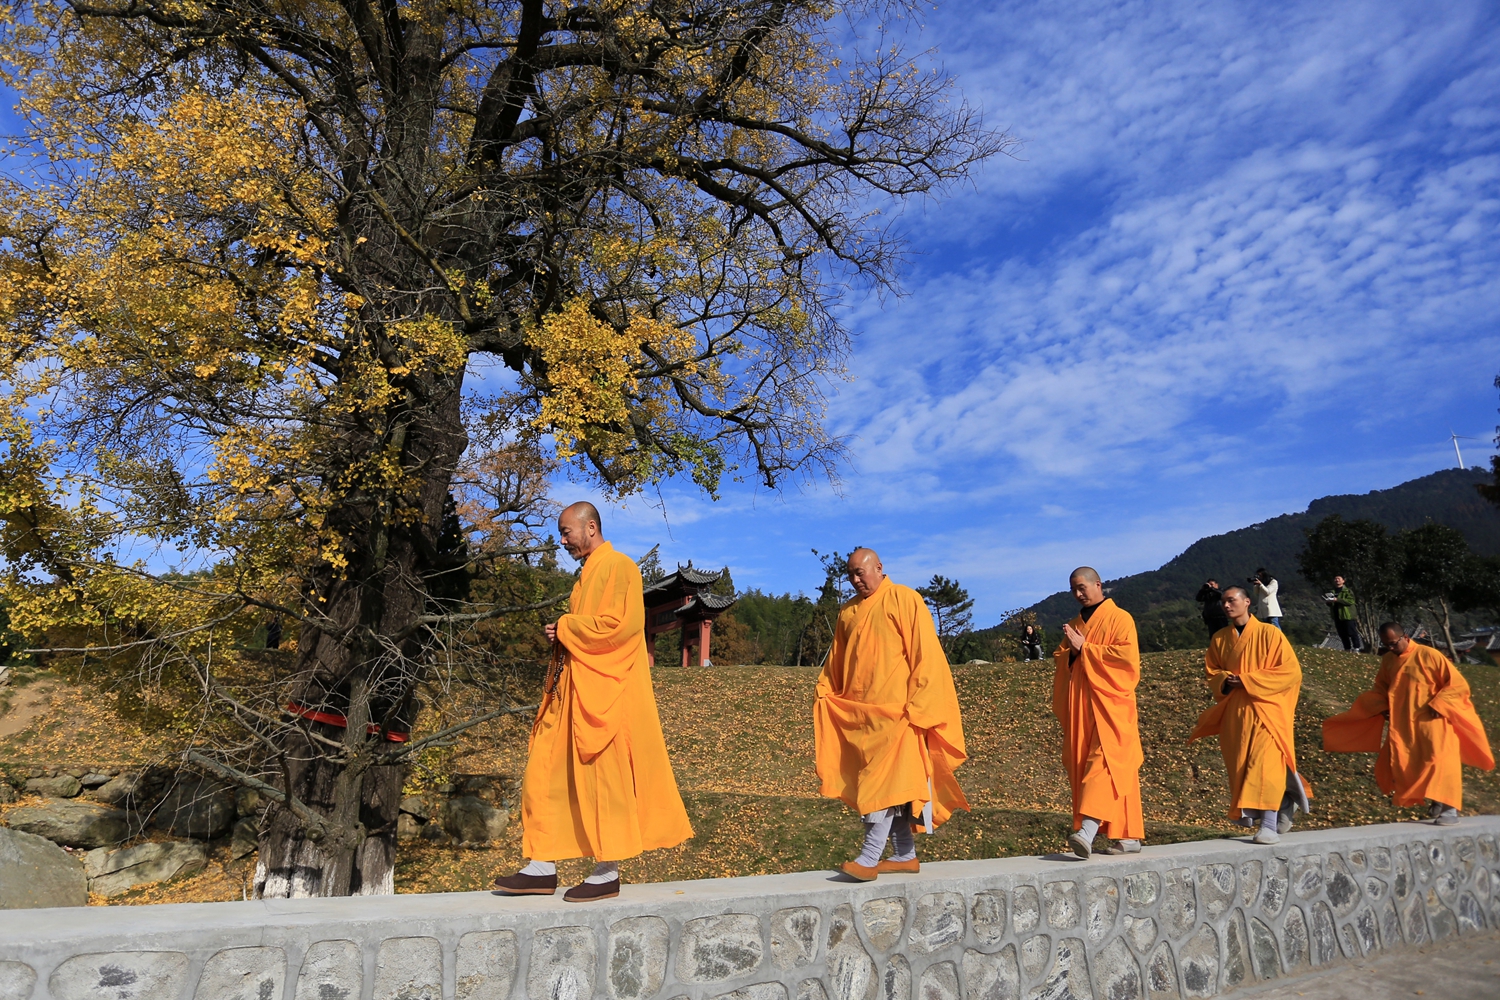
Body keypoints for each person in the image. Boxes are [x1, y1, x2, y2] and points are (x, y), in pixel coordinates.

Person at [492, 502, 693, 901]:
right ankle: (541, 865)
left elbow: (622, 628)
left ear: (591, 527)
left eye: (567, 532)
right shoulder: (586, 575)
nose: (562, 540)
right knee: (545, 771)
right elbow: (592, 629)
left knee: (605, 782)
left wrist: (566, 626)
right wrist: (564, 632)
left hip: (606, 695)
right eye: (561, 533)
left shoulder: (620, 567)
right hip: (572, 692)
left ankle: (607, 871)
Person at [814, 548, 968, 880]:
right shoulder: (847, 613)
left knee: (881, 786)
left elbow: (924, 653)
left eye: (861, 572)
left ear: (879, 568)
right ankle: (904, 854)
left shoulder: (904, 599)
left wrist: (920, 704)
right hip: (863, 716)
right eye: (851, 575)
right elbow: (837, 662)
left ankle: (869, 858)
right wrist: (826, 688)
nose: (856, 580)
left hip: (899, 714)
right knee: (894, 789)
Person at [1323, 623, 1493, 826]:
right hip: (1404, 723)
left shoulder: (1429, 655)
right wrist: (1381, 705)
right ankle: (1437, 801)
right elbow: (1381, 687)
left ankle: (1450, 808)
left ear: (1405, 637)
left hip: (1434, 721)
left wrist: (1440, 703)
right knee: (1414, 763)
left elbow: (1457, 685)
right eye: (1386, 645)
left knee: (1441, 761)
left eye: (1393, 643)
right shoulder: (1388, 660)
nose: (1391, 648)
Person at [1189, 586, 1311, 845]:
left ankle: (1268, 824)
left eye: (1231, 600)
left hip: (1268, 709)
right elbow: (1212, 671)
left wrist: (1249, 680)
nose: (1226, 605)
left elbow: (1290, 672)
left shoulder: (1270, 634)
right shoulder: (1220, 638)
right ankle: (1285, 801)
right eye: (1223, 601)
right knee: (1244, 767)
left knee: (1265, 765)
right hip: (1237, 714)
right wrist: (1225, 679)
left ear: (1247, 602)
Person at [1053, 567, 1145, 858]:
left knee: (1104, 763)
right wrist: (1072, 652)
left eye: (1082, 587)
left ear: (1098, 585)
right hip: (1083, 707)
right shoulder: (1073, 623)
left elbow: (1127, 660)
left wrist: (1087, 649)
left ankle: (1088, 831)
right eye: (1074, 590)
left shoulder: (1121, 618)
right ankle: (1128, 835)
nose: (1079, 594)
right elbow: (1062, 659)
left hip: (1112, 707)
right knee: (1119, 769)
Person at [1327, 576, 1358, 651]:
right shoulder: (1332, 592)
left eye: (1339, 579)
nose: (1336, 580)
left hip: (1347, 615)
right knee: (1342, 633)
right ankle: (1347, 648)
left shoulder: (1347, 591)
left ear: (1343, 581)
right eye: (1335, 579)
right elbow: (1330, 604)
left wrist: (1337, 600)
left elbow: (1351, 601)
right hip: (1337, 615)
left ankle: (1356, 648)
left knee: (1352, 632)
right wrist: (1329, 602)